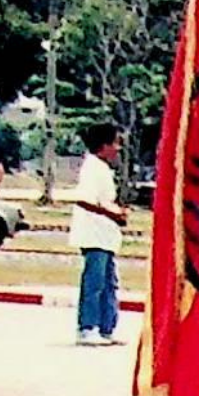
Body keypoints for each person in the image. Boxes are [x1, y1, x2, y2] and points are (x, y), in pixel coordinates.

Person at [68, 124, 128, 347]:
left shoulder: (103, 168)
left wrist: (118, 212)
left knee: (109, 283)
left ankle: (106, 327)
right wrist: (112, 214)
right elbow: (85, 200)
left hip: (106, 236)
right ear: (104, 146)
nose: (118, 148)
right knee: (94, 282)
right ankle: (87, 327)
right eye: (115, 143)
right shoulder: (91, 167)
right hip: (94, 235)